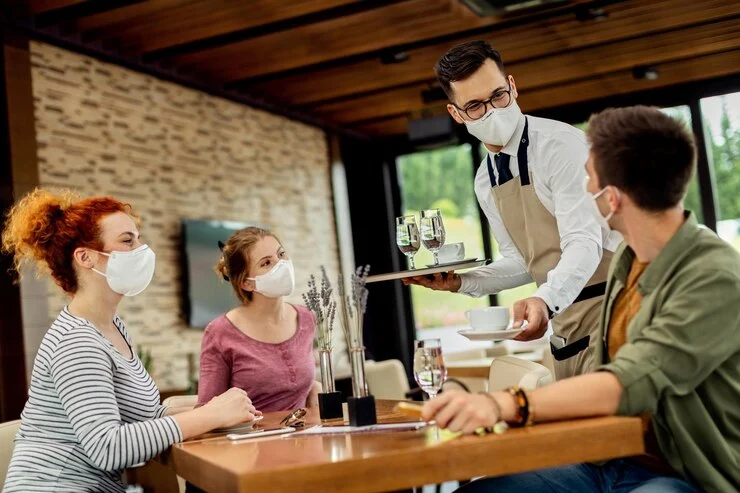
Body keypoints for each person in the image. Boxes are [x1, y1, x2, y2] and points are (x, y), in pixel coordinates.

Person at [421, 106, 740, 493]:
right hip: (606, 458)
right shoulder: (627, 262)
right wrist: (462, 282)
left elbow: (629, 381)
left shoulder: (714, 276)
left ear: (612, 197)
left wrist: (503, 404)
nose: (584, 188)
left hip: (681, 474)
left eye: (589, 176)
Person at [0, 189, 257, 492]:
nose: (142, 249)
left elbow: (145, 417)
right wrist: (209, 414)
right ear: (85, 257)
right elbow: (108, 447)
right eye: (127, 241)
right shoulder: (76, 342)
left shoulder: (112, 327)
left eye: (138, 238)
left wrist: (214, 409)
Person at [405, 40, 622, 379]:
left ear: (513, 86)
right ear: (456, 114)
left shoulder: (559, 147)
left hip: (616, 312)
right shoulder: (484, 180)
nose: (492, 110)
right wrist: (459, 283)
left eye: (498, 95)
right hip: (565, 326)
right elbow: (523, 261)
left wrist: (544, 301)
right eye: (475, 105)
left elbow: (584, 241)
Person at [198, 226, 320, 412]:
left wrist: (314, 387)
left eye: (281, 254)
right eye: (266, 263)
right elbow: (206, 412)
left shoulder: (306, 318)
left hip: (304, 438)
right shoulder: (219, 332)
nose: (281, 264)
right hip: (252, 439)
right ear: (246, 283)